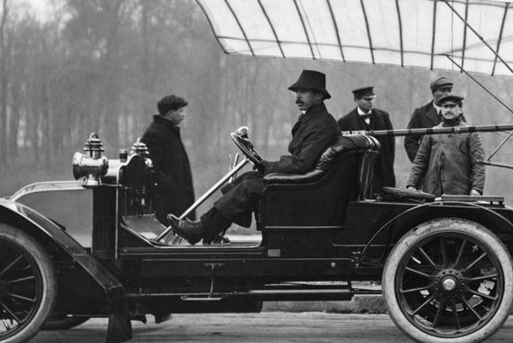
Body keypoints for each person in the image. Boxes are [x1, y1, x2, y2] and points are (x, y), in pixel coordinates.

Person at [170, 69, 341, 244]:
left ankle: (201, 230)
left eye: (303, 92)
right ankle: (210, 230)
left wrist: (267, 166)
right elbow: (302, 161)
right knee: (247, 178)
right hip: (305, 183)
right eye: (297, 92)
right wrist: (264, 165)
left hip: (305, 189)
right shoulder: (314, 119)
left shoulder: (321, 124)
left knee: (248, 187)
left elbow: (301, 164)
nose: (298, 96)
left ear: (319, 96)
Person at [405, 93, 485, 196]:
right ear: (441, 110)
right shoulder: (432, 132)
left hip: (459, 193)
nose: (448, 110)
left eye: (452, 106)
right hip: (432, 192)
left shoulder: (470, 133)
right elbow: (420, 161)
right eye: (445, 107)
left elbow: (478, 163)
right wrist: (411, 185)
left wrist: (477, 188)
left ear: (460, 109)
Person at [140, 94, 195, 227]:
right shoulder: (155, 134)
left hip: (175, 198)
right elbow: (153, 168)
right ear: (170, 113)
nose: (183, 115)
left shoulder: (168, 132)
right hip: (167, 202)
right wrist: (170, 186)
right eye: (180, 111)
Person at [337, 86, 396, 193]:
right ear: (356, 100)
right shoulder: (345, 122)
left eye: (372, 99)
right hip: (359, 171)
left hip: (382, 171)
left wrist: (388, 166)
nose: (370, 102)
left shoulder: (383, 117)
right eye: (367, 99)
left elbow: (391, 145)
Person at [404, 76, 455, 162]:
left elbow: (464, 138)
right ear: (434, 92)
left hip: (451, 163)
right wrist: (421, 161)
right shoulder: (420, 113)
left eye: (449, 90)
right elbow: (410, 141)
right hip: (428, 164)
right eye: (443, 91)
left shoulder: (456, 113)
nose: (447, 94)